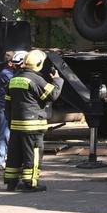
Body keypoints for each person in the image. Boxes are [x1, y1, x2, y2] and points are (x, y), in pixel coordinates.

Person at [4, 49, 63, 193]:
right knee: (33, 153)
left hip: (16, 124)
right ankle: (30, 183)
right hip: (33, 126)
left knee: (14, 154)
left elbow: (7, 103)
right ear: (39, 64)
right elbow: (53, 95)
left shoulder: (14, 79)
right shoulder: (36, 79)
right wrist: (57, 80)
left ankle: (11, 183)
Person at [0, 50, 24, 171]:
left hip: (8, 107)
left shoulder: (11, 72)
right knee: (4, 135)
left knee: (8, 135)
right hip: (3, 108)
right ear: (10, 63)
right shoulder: (6, 73)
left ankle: (5, 160)